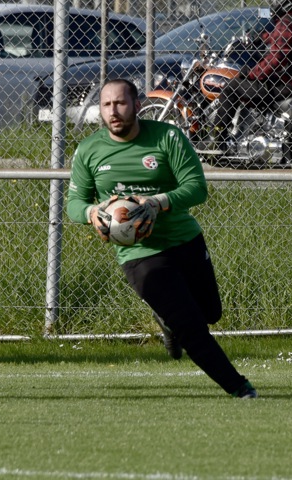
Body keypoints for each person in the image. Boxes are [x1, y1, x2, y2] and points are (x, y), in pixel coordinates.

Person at [67, 78, 257, 399]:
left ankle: (167, 323)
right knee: (190, 326)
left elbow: (196, 187)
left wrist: (157, 202)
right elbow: (74, 204)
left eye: (121, 103)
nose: (113, 111)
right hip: (138, 254)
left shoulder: (168, 137)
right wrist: (92, 212)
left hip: (184, 240)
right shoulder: (89, 151)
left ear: (138, 105)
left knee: (209, 314)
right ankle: (239, 387)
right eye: (106, 105)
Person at [211, 0, 292, 152]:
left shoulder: (286, 23)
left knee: (232, 87)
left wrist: (251, 73)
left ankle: (217, 142)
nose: (273, 3)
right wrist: (259, 37)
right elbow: (280, 39)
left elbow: (275, 59)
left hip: (291, 84)